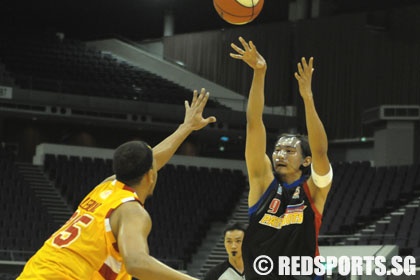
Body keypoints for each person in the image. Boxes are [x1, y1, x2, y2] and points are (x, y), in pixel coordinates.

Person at [18, 88, 216, 280]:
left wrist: (186, 127)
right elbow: (137, 263)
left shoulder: (106, 187)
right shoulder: (132, 211)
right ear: (150, 176)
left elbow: (153, 159)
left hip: (35, 271)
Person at [230, 37, 333, 279]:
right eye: (277, 149)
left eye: (289, 150)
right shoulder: (263, 182)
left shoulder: (314, 190)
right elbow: (254, 124)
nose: (280, 154)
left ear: (305, 161)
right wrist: (259, 72)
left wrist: (307, 98)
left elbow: (320, 151)